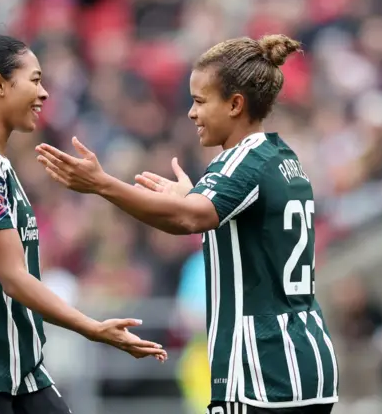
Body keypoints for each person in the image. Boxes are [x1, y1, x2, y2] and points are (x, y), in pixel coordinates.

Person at [36, 34, 339, 414]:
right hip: (306, 360)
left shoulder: (240, 163)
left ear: (235, 104)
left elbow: (186, 219)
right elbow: (224, 218)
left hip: (261, 371)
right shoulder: (283, 158)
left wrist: (101, 184)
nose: (192, 114)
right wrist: (198, 196)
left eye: (199, 102)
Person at [0, 35, 167, 414]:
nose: (45, 93)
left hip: (17, 365)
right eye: (35, 80)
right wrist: (92, 327)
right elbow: (14, 277)